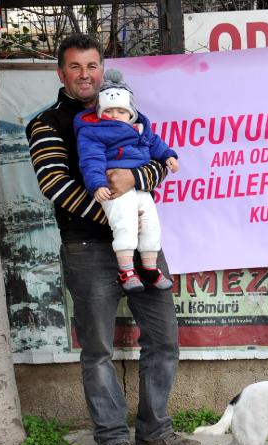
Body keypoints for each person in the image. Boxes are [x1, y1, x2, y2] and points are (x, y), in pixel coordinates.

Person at [26, 34, 201, 445]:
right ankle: (112, 437)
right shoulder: (47, 123)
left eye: (92, 66)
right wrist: (119, 219)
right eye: (75, 67)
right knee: (98, 348)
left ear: (103, 70)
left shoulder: (128, 112)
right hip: (87, 246)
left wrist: (134, 180)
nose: (85, 75)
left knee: (163, 339)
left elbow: (157, 162)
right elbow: (55, 185)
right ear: (61, 73)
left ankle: (155, 431)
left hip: (143, 246)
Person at [74, 68, 178, 293]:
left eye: (121, 110)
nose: (114, 115)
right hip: (115, 188)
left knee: (150, 223)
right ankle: (127, 271)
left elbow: (155, 144)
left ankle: (150, 268)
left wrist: (168, 156)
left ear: (130, 112)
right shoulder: (93, 131)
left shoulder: (140, 128)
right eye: (108, 110)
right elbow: (91, 160)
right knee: (125, 225)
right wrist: (97, 184)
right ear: (100, 111)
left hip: (140, 187)